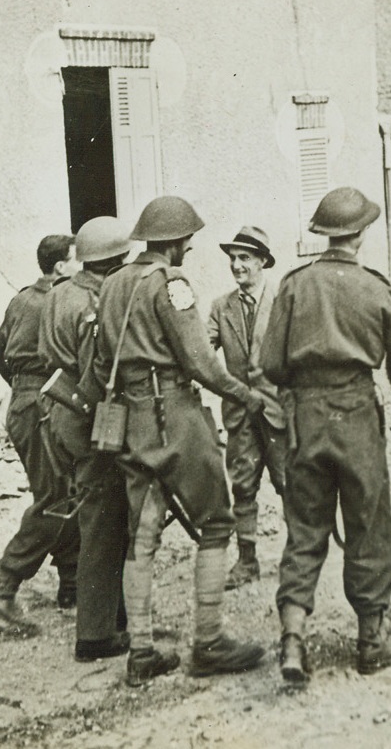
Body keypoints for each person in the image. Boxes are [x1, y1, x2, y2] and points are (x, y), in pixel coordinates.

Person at [93, 196, 267, 687]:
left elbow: (101, 358)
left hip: (130, 419)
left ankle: (142, 650)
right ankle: (209, 641)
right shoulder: (173, 284)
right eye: (187, 240)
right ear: (175, 242)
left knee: (142, 534)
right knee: (216, 521)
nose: (189, 248)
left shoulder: (112, 285)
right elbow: (199, 362)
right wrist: (245, 395)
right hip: (175, 417)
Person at [260, 187, 391, 683]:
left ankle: (292, 641)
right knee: (368, 523)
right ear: (362, 233)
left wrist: (302, 390)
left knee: (305, 529)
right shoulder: (376, 288)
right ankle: (370, 643)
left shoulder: (293, 285)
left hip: (306, 419)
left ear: (325, 233)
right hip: (355, 416)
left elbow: (269, 364)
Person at [38, 217, 135, 662]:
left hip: (61, 414)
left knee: (98, 517)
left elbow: (46, 355)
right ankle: (96, 634)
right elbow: (97, 373)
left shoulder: (58, 293)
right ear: (112, 262)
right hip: (87, 418)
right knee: (102, 524)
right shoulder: (94, 304)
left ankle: (112, 617)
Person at [0, 234, 80, 630]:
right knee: (58, 498)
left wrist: (22, 388)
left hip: (28, 401)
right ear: (60, 267)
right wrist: (38, 392)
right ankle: (2, 591)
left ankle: (72, 584)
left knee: (66, 490)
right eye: (77, 260)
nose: (82, 267)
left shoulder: (21, 298)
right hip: (43, 404)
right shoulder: (58, 300)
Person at [207, 226, 289, 589]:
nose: (237, 265)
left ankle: (297, 557)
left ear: (262, 262)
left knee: (290, 484)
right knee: (243, 486)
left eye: (245, 258)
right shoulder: (220, 307)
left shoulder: (284, 301)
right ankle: (247, 560)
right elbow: (201, 350)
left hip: (279, 411)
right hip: (240, 412)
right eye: (233, 259)